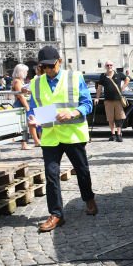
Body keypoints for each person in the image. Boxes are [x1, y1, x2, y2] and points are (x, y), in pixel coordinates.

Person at [27, 46, 97, 232]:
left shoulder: (75, 78)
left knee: (82, 171)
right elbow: (33, 108)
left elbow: (87, 104)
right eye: (45, 67)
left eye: (52, 65)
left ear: (59, 61)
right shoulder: (35, 83)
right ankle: (56, 214)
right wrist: (32, 118)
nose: (49, 70)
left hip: (73, 134)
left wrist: (73, 112)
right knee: (51, 176)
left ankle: (89, 199)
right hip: (50, 137)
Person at [94, 60, 129, 142]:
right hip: (108, 100)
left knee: (119, 118)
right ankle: (113, 134)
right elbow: (99, 88)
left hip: (118, 100)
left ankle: (119, 134)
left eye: (111, 65)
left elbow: (127, 79)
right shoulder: (103, 76)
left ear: (113, 66)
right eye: (107, 65)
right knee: (110, 119)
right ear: (105, 67)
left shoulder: (119, 74)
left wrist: (122, 88)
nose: (109, 66)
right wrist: (97, 98)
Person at [11, 63, 40, 150]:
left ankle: (32, 142)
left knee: (28, 124)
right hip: (22, 104)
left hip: (24, 103)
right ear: (21, 72)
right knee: (26, 124)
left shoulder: (20, 81)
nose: (27, 73)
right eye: (26, 71)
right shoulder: (17, 81)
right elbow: (20, 96)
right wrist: (27, 106)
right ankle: (31, 142)